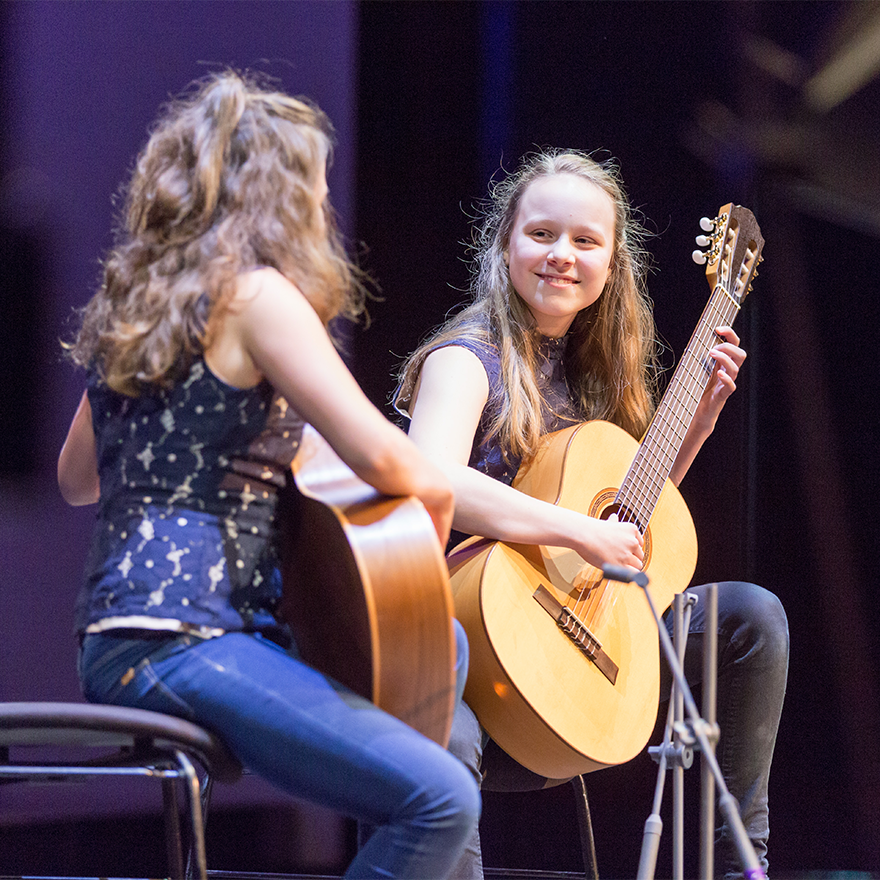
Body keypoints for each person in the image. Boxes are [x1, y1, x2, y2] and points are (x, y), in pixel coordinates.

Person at [57, 70, 480, 880]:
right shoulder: (260, 296)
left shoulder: (140, 309)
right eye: (318, 191)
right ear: (281, 198)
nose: (325, 211)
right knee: (443, 797)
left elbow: (79, 479)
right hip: (187, 640)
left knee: (445, 650)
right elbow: (395, 464)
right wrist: (415, 575)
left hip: (116, 642)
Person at [393, 149, 789, 880]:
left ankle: (737, 870)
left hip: (572, 658)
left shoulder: (593, 373)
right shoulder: (465, 356)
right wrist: (576, 529)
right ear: (505, 243)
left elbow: (630, 521)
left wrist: (695, 422)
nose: (560, 256)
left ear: (613, 262)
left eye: (585, 241)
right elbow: (430, 481)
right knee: (434, 716)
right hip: (469, 665)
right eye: (541, 234)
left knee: (749, 617)